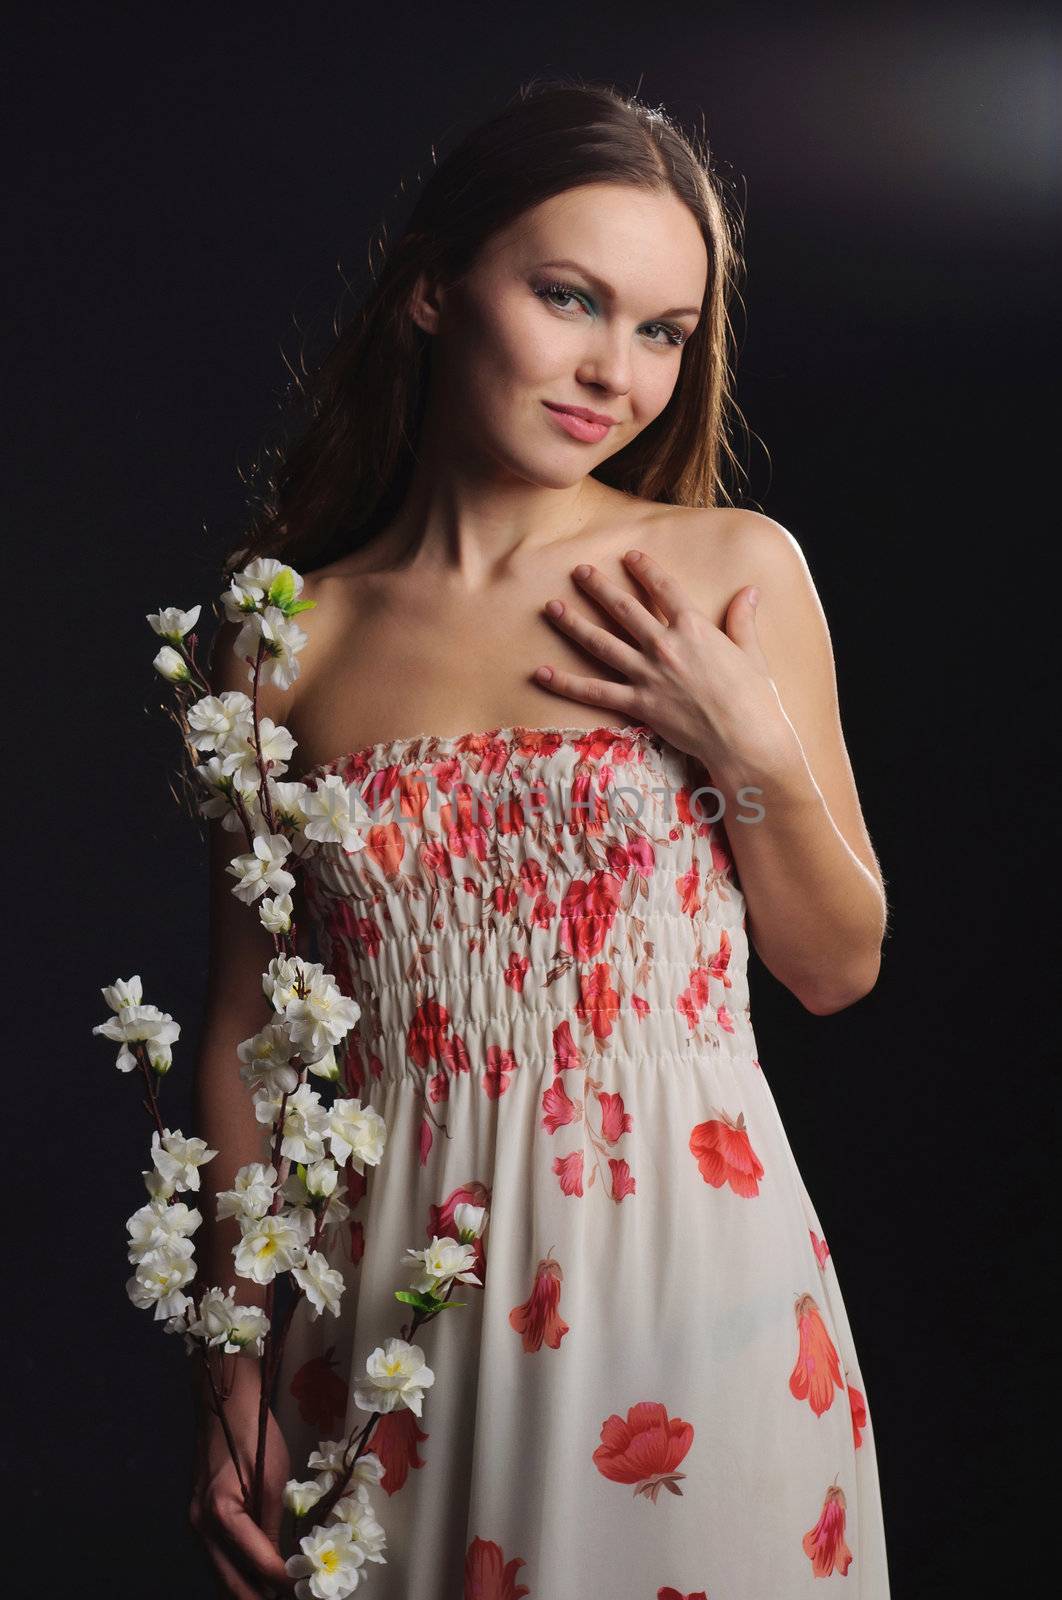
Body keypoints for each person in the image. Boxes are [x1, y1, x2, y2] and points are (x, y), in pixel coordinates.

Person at [191, 77, 893, 1599]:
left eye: (661, 330)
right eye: (570, 298)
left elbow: (836, 964)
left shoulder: (723, 571)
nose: (613, 371)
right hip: (385, 1305)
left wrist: (746, 742)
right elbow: (247, 1033)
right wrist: (229, 1365)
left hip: (681, 1283)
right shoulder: (284, 646)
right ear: (434, 289)